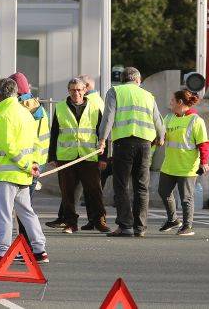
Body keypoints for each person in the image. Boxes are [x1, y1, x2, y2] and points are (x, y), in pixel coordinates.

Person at [0, 78, 48, 266]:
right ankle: (39, 250)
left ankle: (1, 252)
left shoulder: (4, 116)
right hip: (22, 174)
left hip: (8, 174)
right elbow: (35, 143)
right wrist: (33, 164)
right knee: (26, 212)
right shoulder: (25, 113)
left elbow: (10, 148)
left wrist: (26, 165)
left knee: (4, 214)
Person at [98, 67, 165, 237]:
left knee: (121, 185)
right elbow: (158, 119)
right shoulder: (148, 95)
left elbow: (108, 117)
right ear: (138, 80)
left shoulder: (116, 91)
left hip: (124, 143)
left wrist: (102, 139)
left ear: (122, 79)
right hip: (145, 144)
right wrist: (161, 136)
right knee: (142, 186)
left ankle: (125, 226)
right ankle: (140, 227)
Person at [48, 77, 110, 233]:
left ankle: (99, 220)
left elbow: (102, 133)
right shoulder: (61, 107)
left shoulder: (95, 107)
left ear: (85, 90)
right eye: (73, 90)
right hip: (66, 156)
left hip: (88, 156)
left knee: (94, 190)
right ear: (68, 91)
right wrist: (52, 157)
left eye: (79, 90)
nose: (76, 93)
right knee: (67, 192)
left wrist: (103, 158)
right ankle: (70, 223)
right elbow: (54, 132)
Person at [157, 90, 209, 236]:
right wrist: (159, 138)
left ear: (180, 102)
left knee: (186, 198)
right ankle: (173, 220)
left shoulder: (196, 120)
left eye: (172, 100)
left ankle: (187, 226)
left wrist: (204, 162)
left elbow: (203, 144)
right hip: (169, 165)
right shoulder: (168, 117)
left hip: (187, 167)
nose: (170, 103)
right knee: (163, 192)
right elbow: (162, 135)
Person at [9, 72, 50, 247]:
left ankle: (26, 247)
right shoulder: (38, 106)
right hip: (37, 161)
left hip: (24, 163)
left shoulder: (19, 107)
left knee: (23, 210)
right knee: (25, 208)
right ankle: (30, 247)